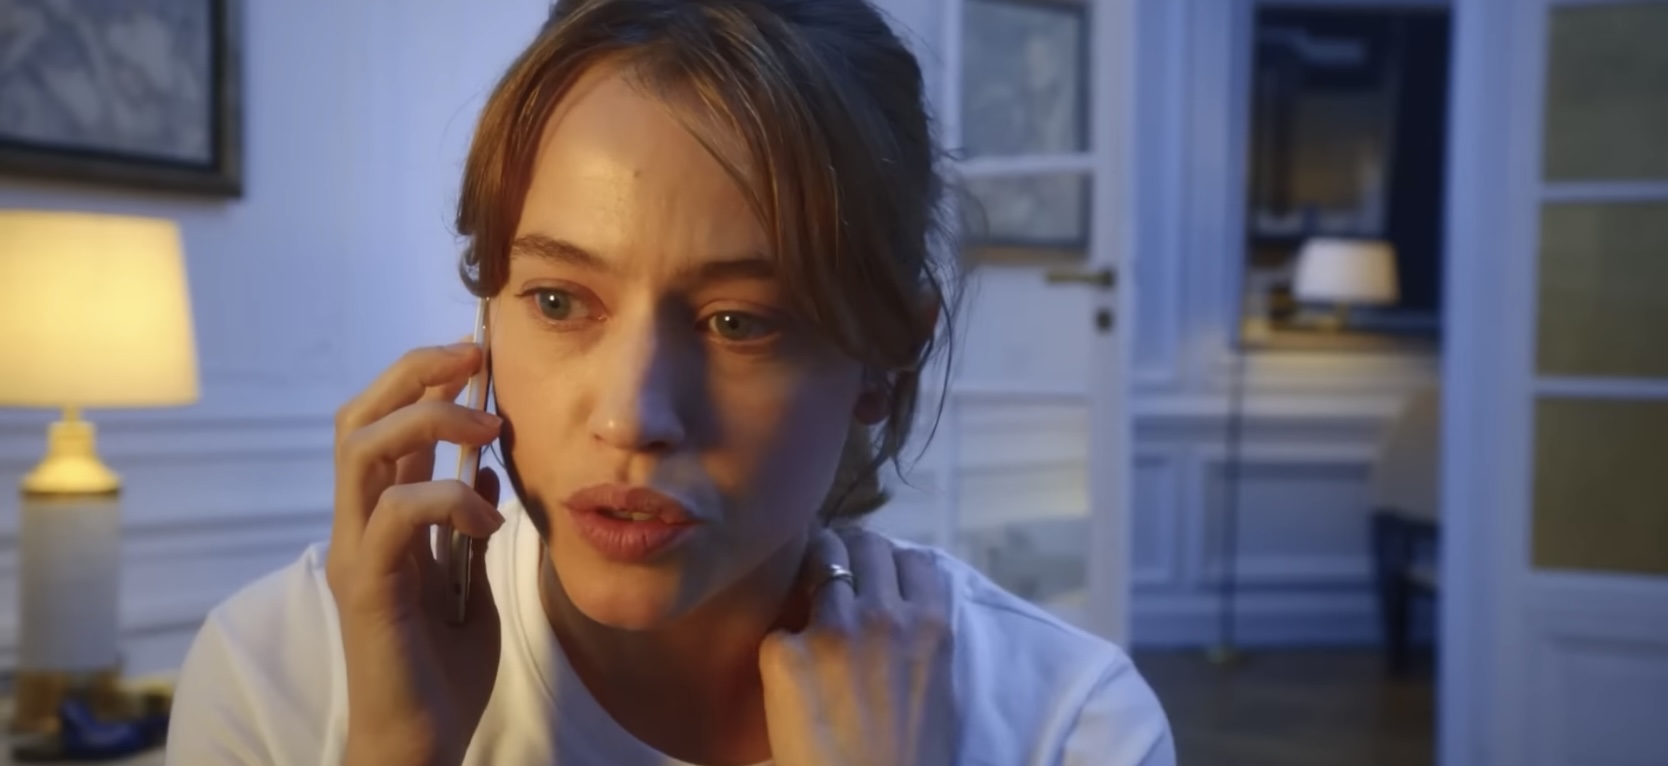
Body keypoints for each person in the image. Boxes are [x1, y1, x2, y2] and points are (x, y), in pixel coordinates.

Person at [165, 0, 1175, 764]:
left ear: (884, 355)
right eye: (558, 301)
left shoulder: (1064, 722)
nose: (631, 416)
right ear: (487, 312)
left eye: (740, 322)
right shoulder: (281, 673)